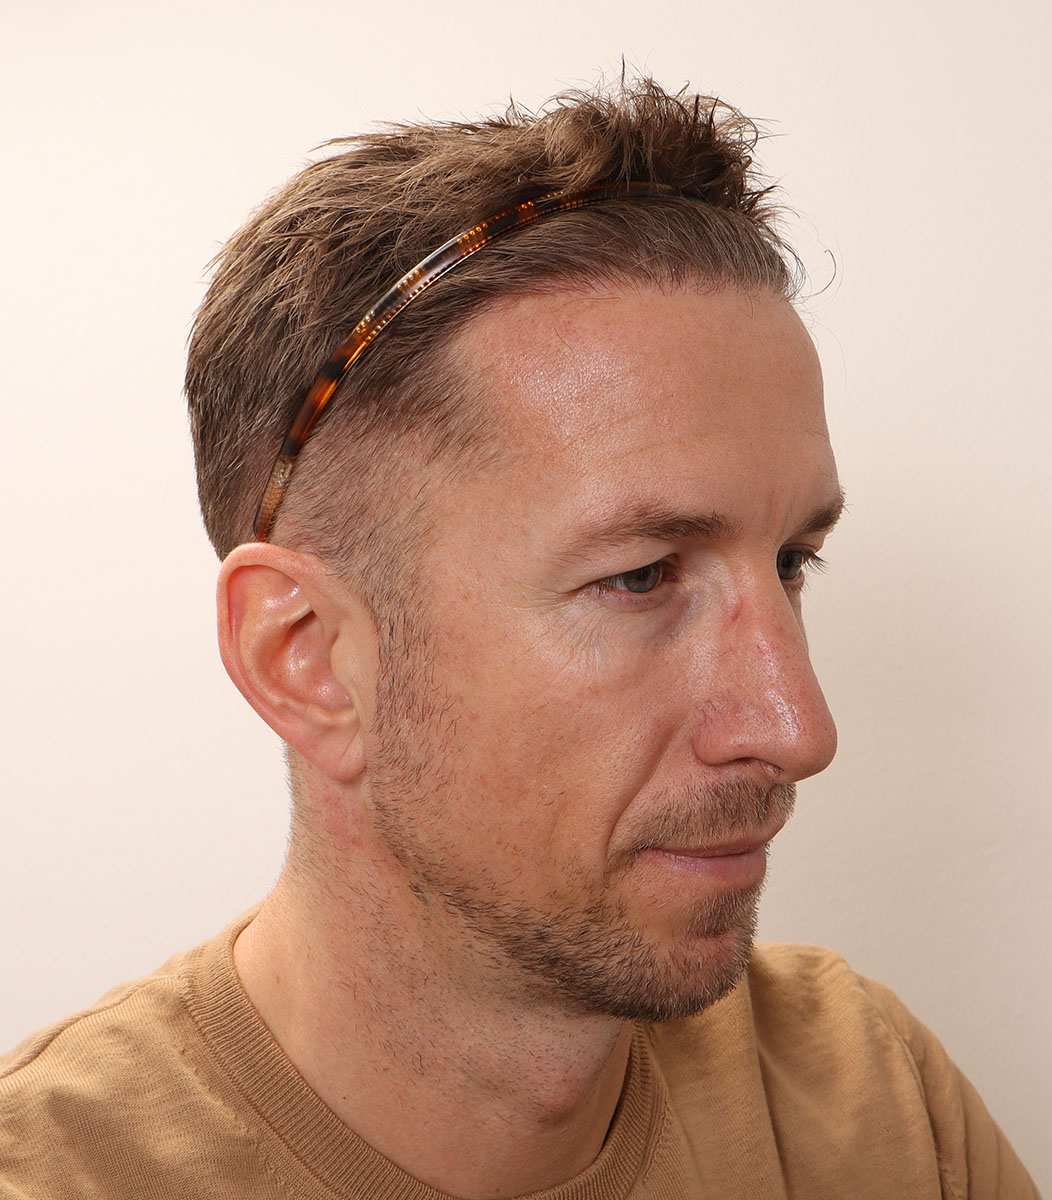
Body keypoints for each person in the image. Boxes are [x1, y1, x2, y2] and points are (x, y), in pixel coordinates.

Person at [0, 78, 1039, 1200]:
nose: (798, 729)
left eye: (791, 561)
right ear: (307, 659)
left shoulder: (872, 1103)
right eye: (640, 576)